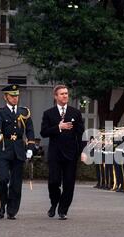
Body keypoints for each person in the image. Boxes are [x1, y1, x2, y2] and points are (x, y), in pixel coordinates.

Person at [40, 85, 86, 220]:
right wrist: (58, 127)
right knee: (53, 182)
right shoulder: (48, 113)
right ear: (56, 96)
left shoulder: (75, 113)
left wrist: (83, 151)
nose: (65, 96)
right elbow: (43, 132)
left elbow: (80, 134)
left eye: (66, 93)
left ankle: (63, 209)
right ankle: (54, 203)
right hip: (55, 154)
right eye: (62, 94)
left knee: (69, 183)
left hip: (71, 154)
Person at [0, 84, 35, 220]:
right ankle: (1, 206)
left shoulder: (24, 112)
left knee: (16, 183)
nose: (15, 98)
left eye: (17, 95)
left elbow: (30, 131)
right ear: (5, 97)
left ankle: (12, 210)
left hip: (19, 150)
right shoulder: (0, 112)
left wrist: (30, 148)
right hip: (4, 148)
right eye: (12, 96)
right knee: (3, 179)